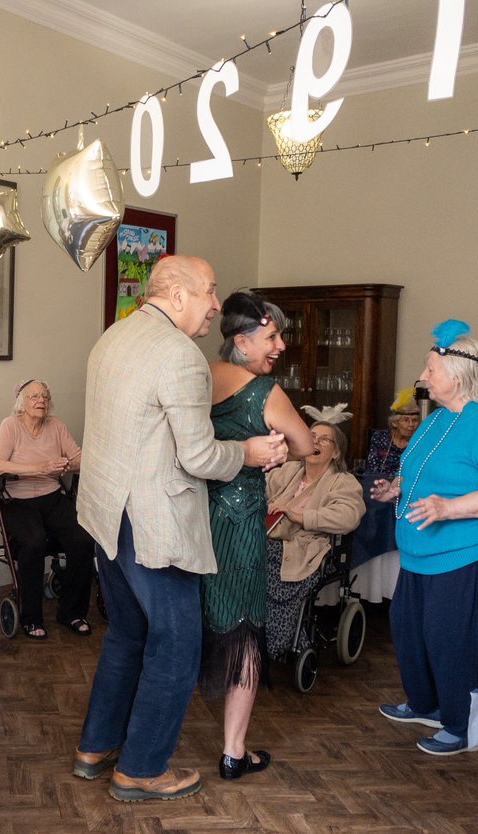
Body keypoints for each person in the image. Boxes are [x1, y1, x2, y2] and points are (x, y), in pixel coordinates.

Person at [72, 256, 287, 803]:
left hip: (106, 514)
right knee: (177, 646)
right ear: (176, 295)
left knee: (127, 634)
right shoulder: (180, 355)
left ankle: (96, 747)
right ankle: (141, 769)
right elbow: (199, 457)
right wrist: (249, 451)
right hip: (153, 523)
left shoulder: (113, 336)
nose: (215, 305)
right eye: (209, 292)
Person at [370, 320, 478, 755]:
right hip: (421, 548)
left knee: (453, 638)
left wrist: (449, 508)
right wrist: (396, 489)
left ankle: (461, 725)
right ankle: (425, 704)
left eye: (430, 369)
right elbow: (420, 472)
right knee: (409, 630)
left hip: (470, 549)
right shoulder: (437, 419)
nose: (422, 377)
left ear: (458, 376)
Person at [200, 291, 314, 781]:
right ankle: (233, 751)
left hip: (191, 515)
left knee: (186, 620)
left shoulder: (200, 375)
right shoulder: (264, 393)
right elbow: (307, 445)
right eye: (272, 337)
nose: (281, 346)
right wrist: (275, 447)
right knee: (244, 628)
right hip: (239, 523)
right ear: (242, 342)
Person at [0, 379, 95, 639]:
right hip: (16, 499)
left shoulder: (56, 425)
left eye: (45, 397)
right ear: (21, 403)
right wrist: (40, 468)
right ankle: (31, 617)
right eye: (34, 396)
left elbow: (80, 458)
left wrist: (68, 464)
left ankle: (71, 612)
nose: (41, 401)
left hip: (51, 496)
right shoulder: (10, 425)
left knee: (83, 538)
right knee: (33, 542)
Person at [265, 415, 366, 659]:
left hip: (309, 548)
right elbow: (259, 489)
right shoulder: (289, 471)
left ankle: (276, 641)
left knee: (266, 559)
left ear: (336, 452)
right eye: (312, 437)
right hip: (272, 538)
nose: (316, 442)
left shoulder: (343, 482)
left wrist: (301, 516)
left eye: (324, 439)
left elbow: (349, 515)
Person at [366, 387, 421, 477]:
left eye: (414, 420)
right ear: (394, 422)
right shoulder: (380, 437)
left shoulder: (420, 441)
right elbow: (372, 469)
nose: (411, 425)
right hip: (380, 482)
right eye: (406, 420)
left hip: (406, 483)